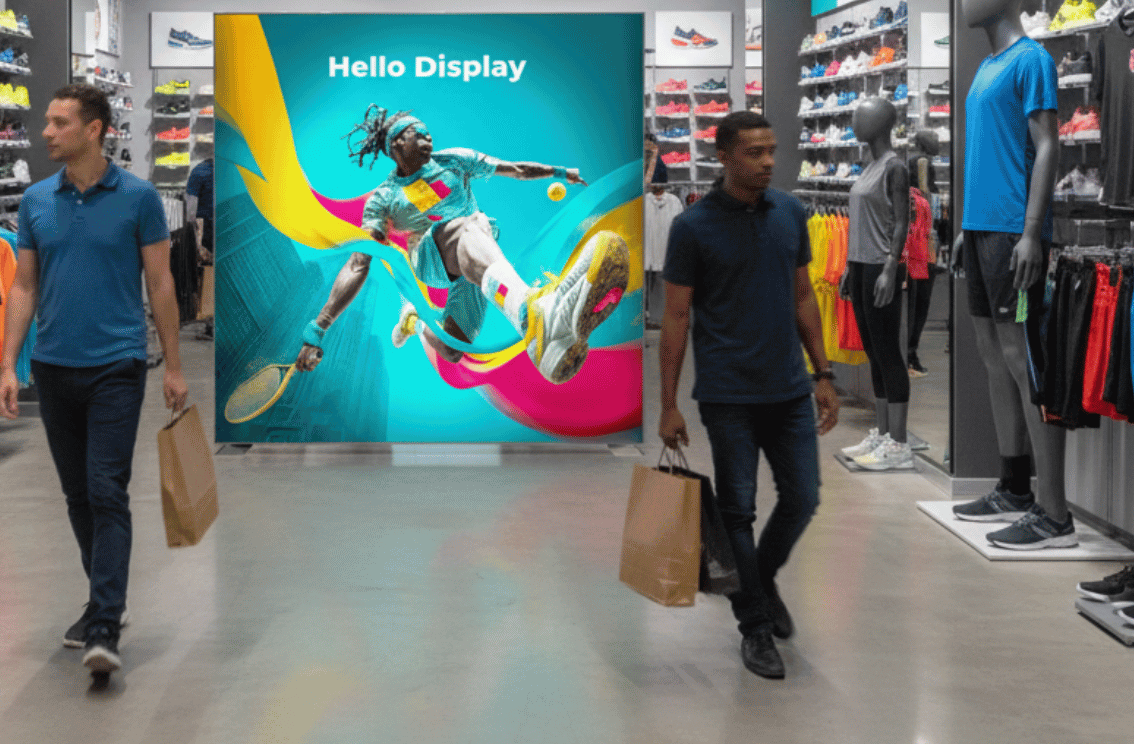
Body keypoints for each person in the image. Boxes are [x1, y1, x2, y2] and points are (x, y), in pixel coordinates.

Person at [0, 84, 189, 679]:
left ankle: (105, 620)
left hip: (117, 365)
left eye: (59, 123)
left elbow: (160, 284)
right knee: (78, 495)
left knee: (106, 489)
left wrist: (175, 368)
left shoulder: (138, 199)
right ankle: (103, 597)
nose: (46, 133)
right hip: (54, 366)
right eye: (47, 122)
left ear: (95, 129)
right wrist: (8, 364)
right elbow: (24, 285)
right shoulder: (36, 201)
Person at [658, 110, 840, 681]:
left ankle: (757, 582)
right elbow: (676, 317)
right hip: (727, 393)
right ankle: (755, 627)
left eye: (772, 152)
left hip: (787, 389)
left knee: (804, 497)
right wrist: (667, 405)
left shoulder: (791, 211)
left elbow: (803, 296)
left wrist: (823, 372)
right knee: (736, 509)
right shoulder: (692, 228)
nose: (767, 163)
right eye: (755, 153)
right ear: (725, 157)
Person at [295, 104, 629, 385]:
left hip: (473, 257)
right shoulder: (383, 199)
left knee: (454, 347)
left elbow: (515, 169)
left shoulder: (453, 160)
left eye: (429, 133)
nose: (429, 137)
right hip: (430, 259)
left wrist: (559, 171)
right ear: (397, 142)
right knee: (469, 222)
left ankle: (421, 322)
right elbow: (358, 263)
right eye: (419, 133)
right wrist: (317, 328)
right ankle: (535, 311)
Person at [185, 155, 214, 340]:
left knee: (208, 278)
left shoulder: (199, 171)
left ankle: (211, 324)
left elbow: (190, 209)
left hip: (208, 233)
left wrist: (191, 233)